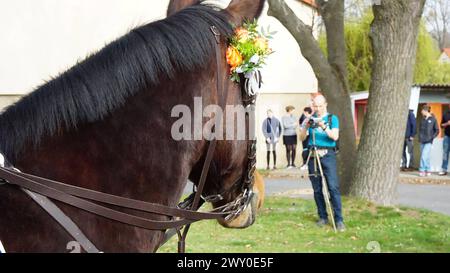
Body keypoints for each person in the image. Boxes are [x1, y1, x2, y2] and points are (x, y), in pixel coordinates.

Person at [299, 94, 345, 231]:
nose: (318, 109)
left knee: (333, 187)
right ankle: (323, 217)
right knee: (317, 189)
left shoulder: (332, 119)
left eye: (320, 106)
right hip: (313, 155)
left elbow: (334, 137)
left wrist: (323, 127)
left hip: (327, 155)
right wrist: (306, 127)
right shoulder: (309, 119)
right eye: (316, 106)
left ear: (325, 104)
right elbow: (301, 138)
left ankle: (339, 219)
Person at [418, 105, 439, 177]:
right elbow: (420, 129)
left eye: (422, 111)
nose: (421, 112)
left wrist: (432, 137)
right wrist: (419, 137)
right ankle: (428, 169)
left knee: (424, 156)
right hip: (422, 140)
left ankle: (422, 170)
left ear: (425, 111)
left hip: (429, 141)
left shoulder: (433, 119)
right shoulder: (422, 119)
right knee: (425, 156)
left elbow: (437, 130)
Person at [439, 108, 450, 175]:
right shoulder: (446, 114)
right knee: (445, 153)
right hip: (447, 137)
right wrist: (447, 123)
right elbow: (441, 125)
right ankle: (444, 169)